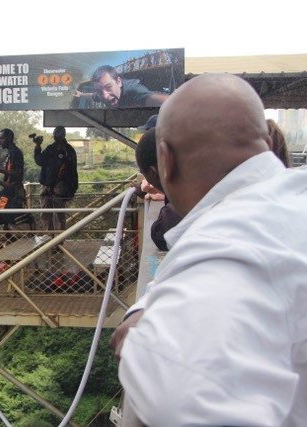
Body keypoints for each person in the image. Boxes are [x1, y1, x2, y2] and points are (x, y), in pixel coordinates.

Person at [110, 73, 307, 426]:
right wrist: (147, 305)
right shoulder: (286, 203)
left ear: (165, 162)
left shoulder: (229, 245)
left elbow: (185, 397)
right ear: (263, 140)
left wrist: (145, 344)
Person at [132, 126, 181, 251]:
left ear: (153, 173)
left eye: (145, 174)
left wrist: (170, 192)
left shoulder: (188, 201)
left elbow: (160, 234)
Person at [34, 126, 78, 231]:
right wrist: (38, 146)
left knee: (59, 215)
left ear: (63, 134)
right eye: (55, 133)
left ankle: (59, 242)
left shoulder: (68, 151)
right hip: (46, 184)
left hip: (60, 185)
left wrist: (68, 187)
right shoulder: (51, 148)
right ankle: (49, 238)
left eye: (58, 133)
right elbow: (40, 161)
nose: (55, 135)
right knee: (45, 212)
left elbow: (71, 171)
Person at [0, 128, 26, 230]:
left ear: (9, 138)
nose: (0, 141)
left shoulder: (16, 153)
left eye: (1, 138)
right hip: (7, 194)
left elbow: (17, 174)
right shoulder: (10, 153)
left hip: (12, 196)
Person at [89, 65, 169, 108]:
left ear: (119, 82)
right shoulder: (101, 94)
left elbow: (150, 98)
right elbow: (93, 96)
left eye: (108, 87)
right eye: (99, 91)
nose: (105, 96)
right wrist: (81, 94)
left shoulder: (133, 89)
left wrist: (178, 104)